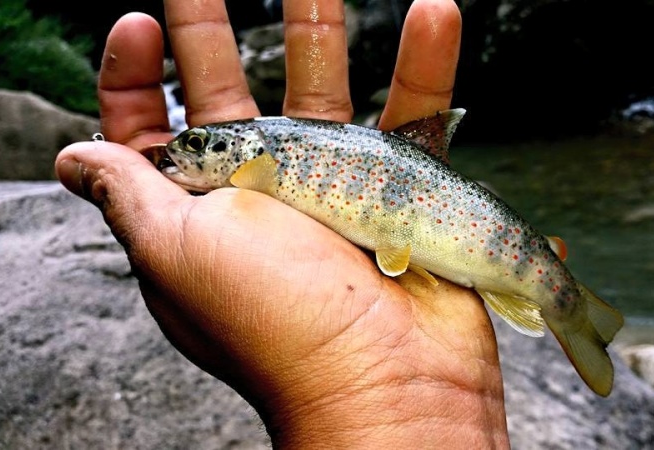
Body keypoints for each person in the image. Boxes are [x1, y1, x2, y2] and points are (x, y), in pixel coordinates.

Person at [55, 0, 511, 447]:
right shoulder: (250, 168)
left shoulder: (255, 166)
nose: (178, 153)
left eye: (195, 142)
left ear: (247, 151)